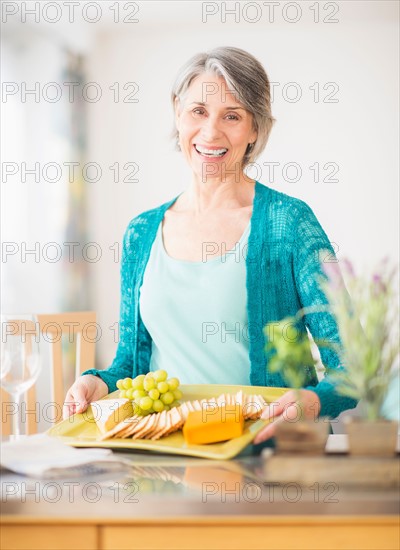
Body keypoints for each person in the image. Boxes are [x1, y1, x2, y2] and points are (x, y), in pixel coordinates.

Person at [63, 47, 357, 443]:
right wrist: (97, 383)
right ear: (177, 113)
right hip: (164, 452)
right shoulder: (141, 232)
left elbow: (350, 366)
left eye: (232, 116)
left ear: (255, 129)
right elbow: (129, 366)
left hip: (264, 455)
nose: (211, 132)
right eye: (198, 111)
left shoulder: (289, 223)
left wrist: (312, 402)